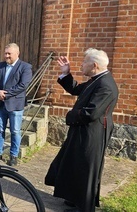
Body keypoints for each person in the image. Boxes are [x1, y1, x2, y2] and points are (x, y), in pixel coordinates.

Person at [45, 48, 119, 212]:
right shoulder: (96, 79)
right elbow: (76, 89)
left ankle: (84, 207)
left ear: (94, 65)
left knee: (85, 168)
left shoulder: (105, 84)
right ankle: (73, 198)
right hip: (83, 130)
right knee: (74, 163)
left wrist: (70, 115)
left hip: (93, 133)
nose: (81, 65)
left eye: (84, 62)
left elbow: (91, 113)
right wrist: (66, 73)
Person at [0, 43, 32, 166]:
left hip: (15, 105)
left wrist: (6, 94)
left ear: (17, 54)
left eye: (9, 53)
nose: (6, 56)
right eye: (5, 53)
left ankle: (13, 155)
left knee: (15, 131)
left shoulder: (25, 67)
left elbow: (23, 85)